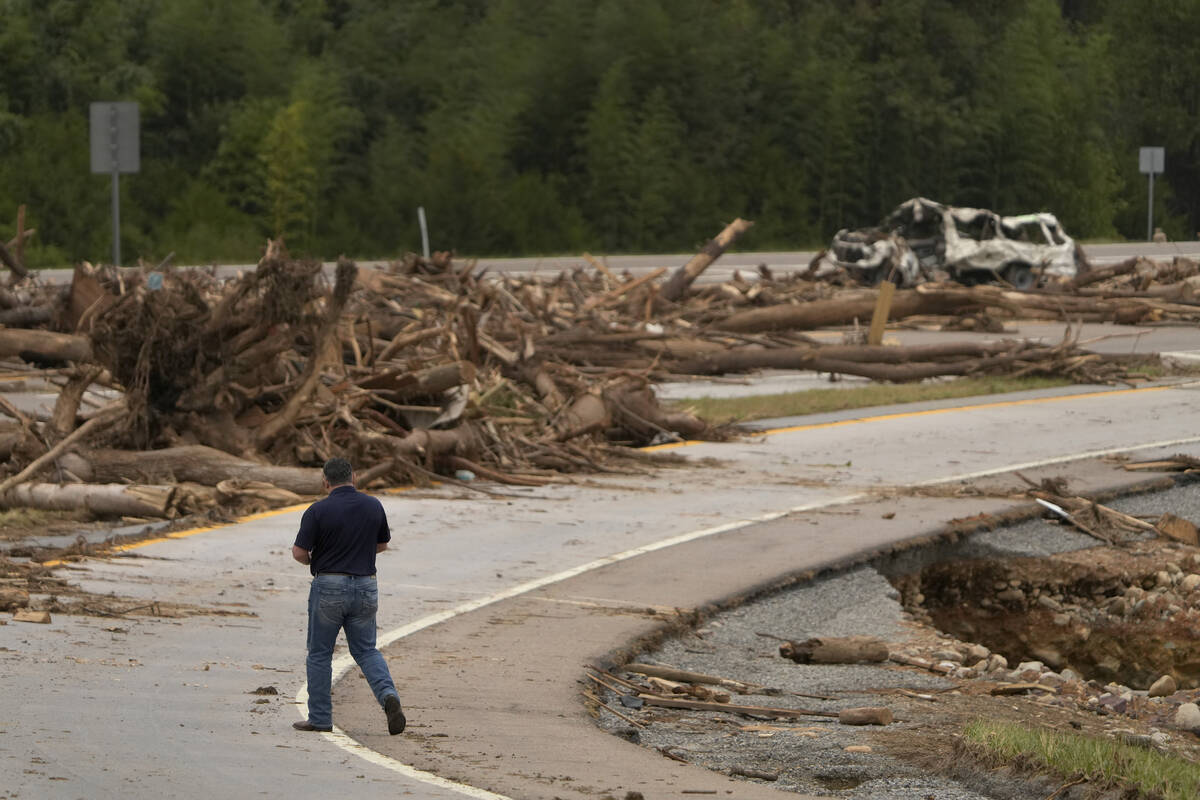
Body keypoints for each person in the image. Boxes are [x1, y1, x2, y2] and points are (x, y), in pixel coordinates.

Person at [291, 457, 406, 735]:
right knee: (366, 650)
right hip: (366, 585)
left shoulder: (317, 510)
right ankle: (389, 696)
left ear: (325, 482)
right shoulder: (373, 505)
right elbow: (382, 544)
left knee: (320, 653)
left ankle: (319, 718)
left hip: (329, 585)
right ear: (354, 478)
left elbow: (299, 552)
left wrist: (317, 560)